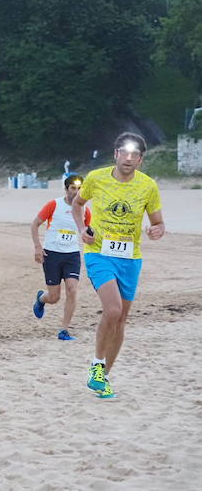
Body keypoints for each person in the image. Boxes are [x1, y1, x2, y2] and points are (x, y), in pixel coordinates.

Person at [72, 133, 165, 400]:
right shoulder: (96, 178)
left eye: (134, 154)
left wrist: (156, 230)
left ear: (141, 159)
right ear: (115, 154)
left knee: (122, 319)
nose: (128, 158)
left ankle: (103, 377)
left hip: (130, 258)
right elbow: (78, 205)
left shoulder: (148, 186)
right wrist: (82, 230)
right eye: (124, 152)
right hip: (99, 253)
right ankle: (97, 365)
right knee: (112, 310)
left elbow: (158, 221)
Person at [30, 174, 92, 340]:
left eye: (80, 189)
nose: (76, 192)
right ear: (66, 189)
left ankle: (64, 330)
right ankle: (41, 299)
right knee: (54, 297)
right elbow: (35, 224)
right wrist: (37, 247)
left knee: (72, 290)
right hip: (52, 254)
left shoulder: (85, 210)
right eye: (73, 188)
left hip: (72, 255)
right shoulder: (54, 205)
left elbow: (88, 232)